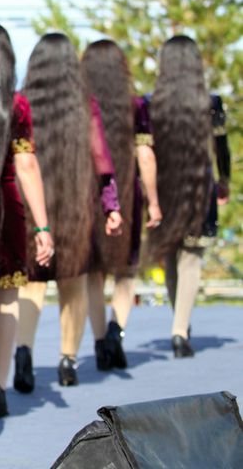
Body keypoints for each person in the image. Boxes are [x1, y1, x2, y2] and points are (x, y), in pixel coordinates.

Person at [15, 33, 123, 390]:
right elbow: (101, 159)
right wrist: (111, 206)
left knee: (31, 283)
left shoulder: (22, 103)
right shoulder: (84, 105)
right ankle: (67, 360)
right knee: (72, 282)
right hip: (76, 205)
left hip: (32, 206)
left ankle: (23, 352)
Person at [0, 23, 54, 419]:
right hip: (7, 208)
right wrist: (43, 227)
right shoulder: (17, 106)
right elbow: (27, 166)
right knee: (6, 301)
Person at [147, 35, 230, 358]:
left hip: (164, 186)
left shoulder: (152, 103)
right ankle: (180, 331)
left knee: (170, 254)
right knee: (191, 256)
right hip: (199, 185)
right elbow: (220, 147)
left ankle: (179, 323)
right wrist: (224, 180)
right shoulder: (211, 102)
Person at [81, 40, 161, 370]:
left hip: (91, 196)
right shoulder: (136, 106)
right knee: (126, 270)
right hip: (128, 196)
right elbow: (145, 154)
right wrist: (154, 201)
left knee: (94, 271)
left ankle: (100, 341)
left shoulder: (83, 106)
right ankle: (118, 329)